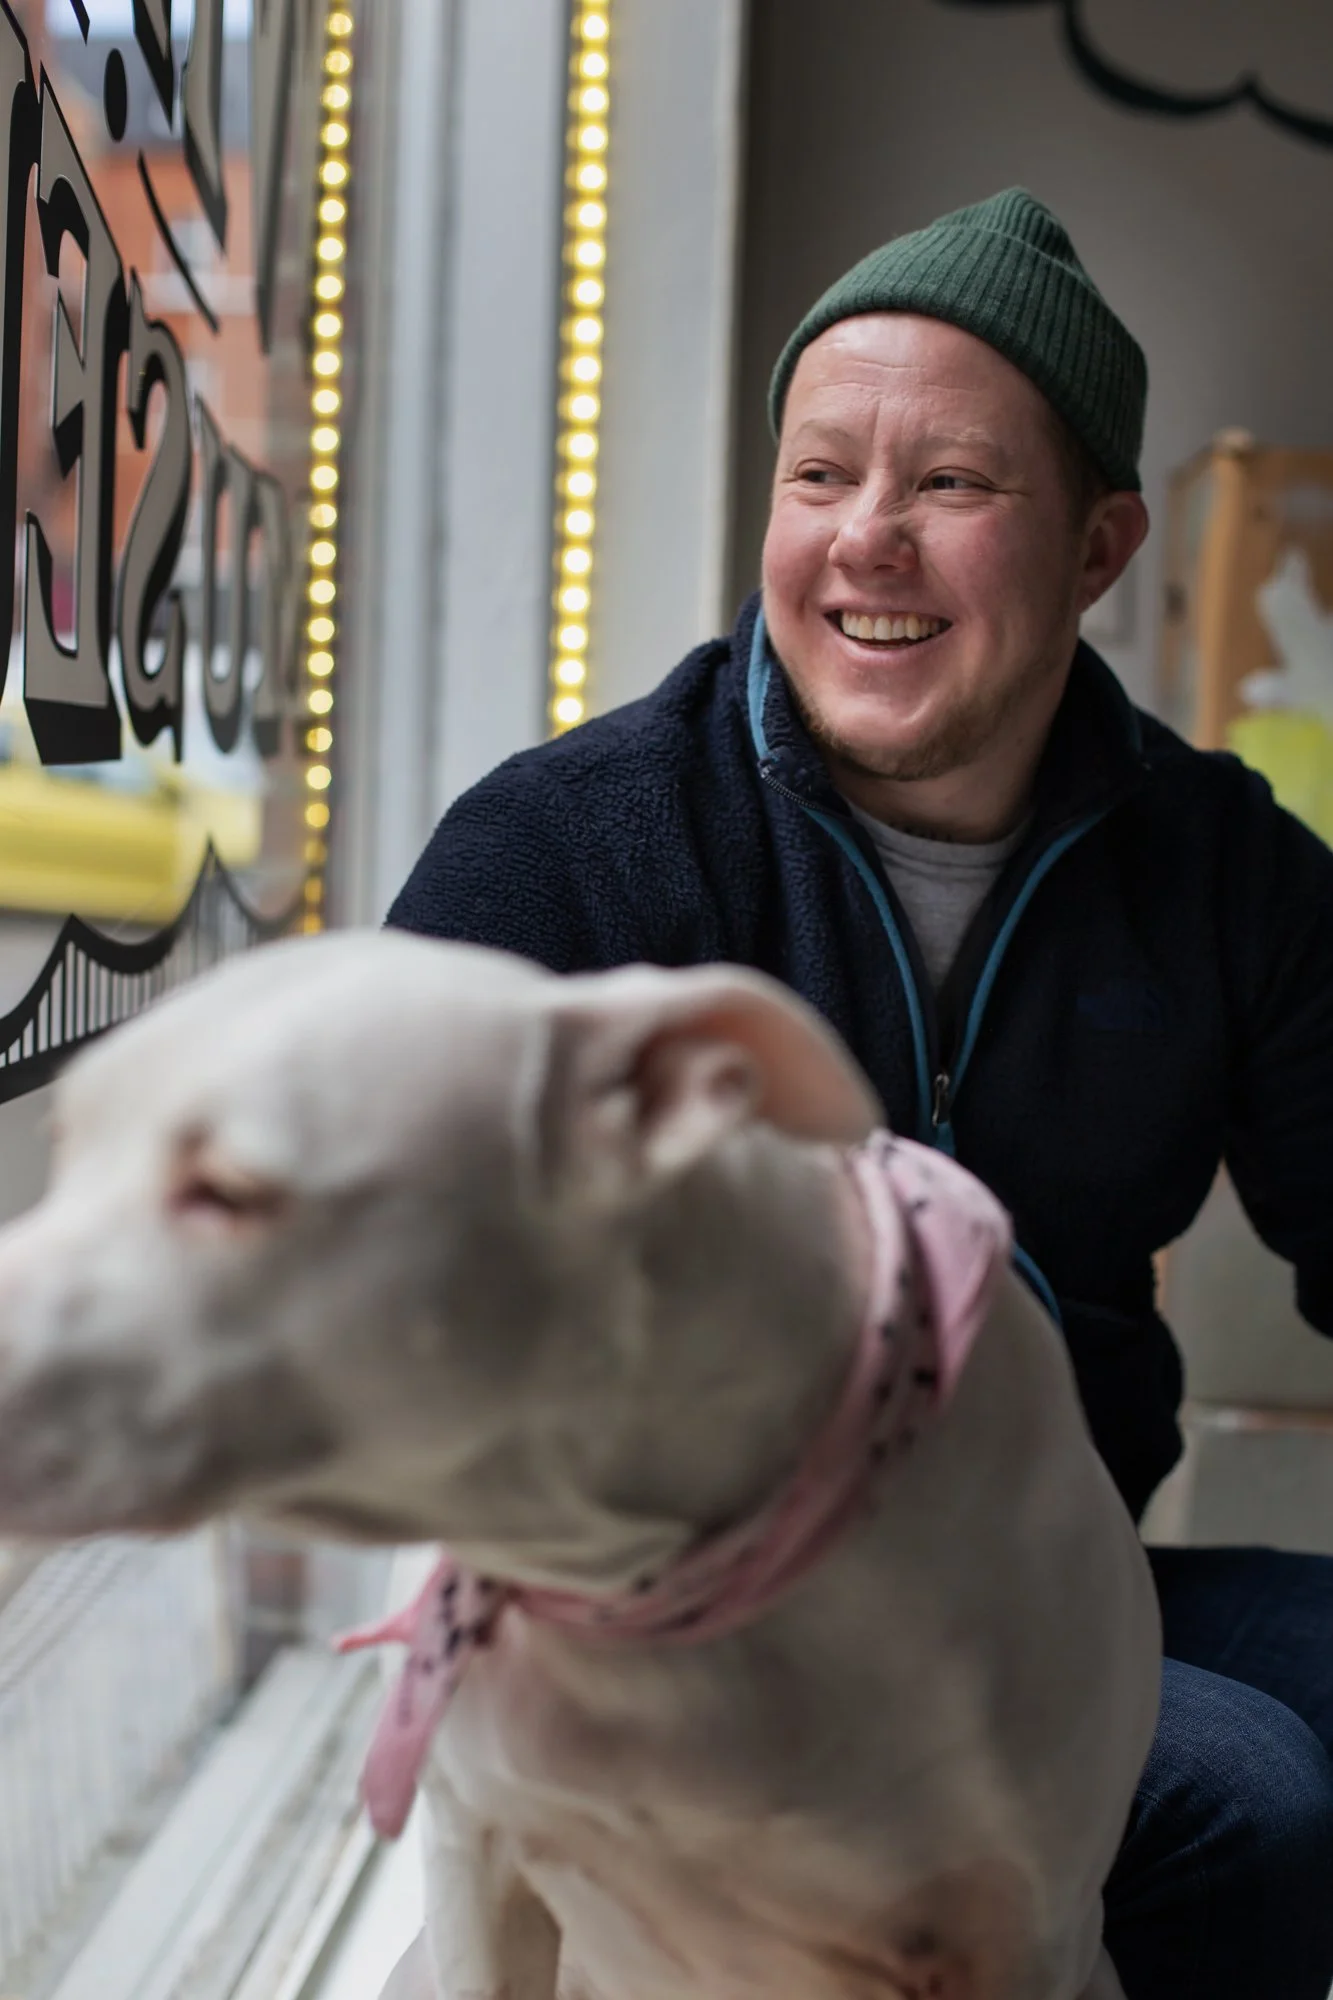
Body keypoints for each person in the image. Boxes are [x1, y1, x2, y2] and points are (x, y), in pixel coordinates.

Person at [389, 188, 1333, 1998]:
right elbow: (383, 1261)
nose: (866, 545)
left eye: (952, 489)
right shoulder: (578, 847)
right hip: (692, 1653)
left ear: (1099, 547)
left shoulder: (1221, 869)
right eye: (820, 477)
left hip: (1050, 1592)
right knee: (1253, 1805)